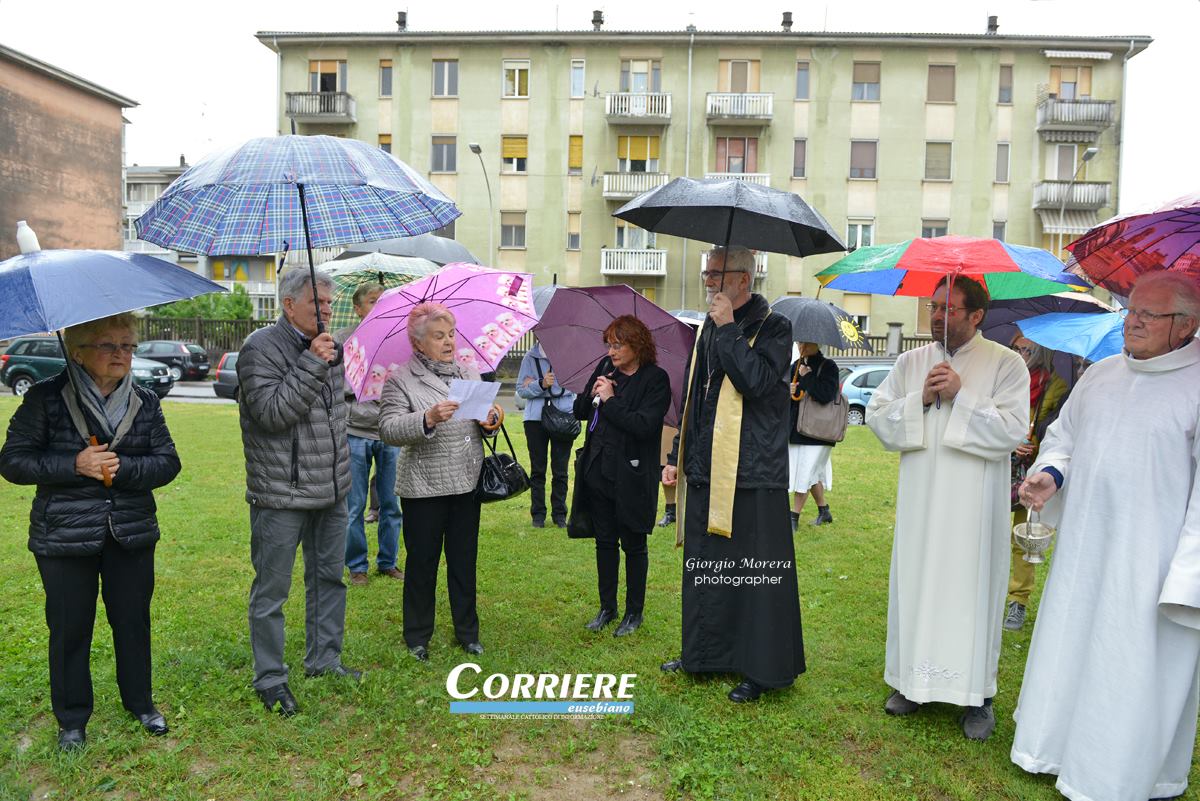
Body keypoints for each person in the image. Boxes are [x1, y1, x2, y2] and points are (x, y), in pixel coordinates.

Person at [1012, 272, 1200, 801]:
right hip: (1086, 545)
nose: (1133, 321)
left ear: (1186, 325)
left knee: (1131, 659)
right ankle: (1050, 746)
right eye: (1131, 310)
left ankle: (1119, 772)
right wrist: (1051, 473)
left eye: (1150, 314)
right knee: (1073, 639)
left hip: (1152, 556)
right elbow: (1063, 438)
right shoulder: (1101, 376)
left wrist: (1187, 576)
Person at [0, 314, 181, 751]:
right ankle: (72, 719)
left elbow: (168, 462)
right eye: (108, 345)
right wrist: (74, 464)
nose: (121, 354)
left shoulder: (144, 401)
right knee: (70, 628)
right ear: (78, 352)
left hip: (130, 532)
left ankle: (140, 703)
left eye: (128, 345)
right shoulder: (46, 399)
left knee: (132, 623)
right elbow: (13, 462)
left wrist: (121, 469)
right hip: (64, 534)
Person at [865, 275, 1028, 740]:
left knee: (971, 588)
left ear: (977, 316)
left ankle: (978, 694)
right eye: (934, 307)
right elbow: (877, 418)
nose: (937, 316)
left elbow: (1013, 431)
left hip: (975, 504)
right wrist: (921, 398)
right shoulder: (910, 361)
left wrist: (962, 395)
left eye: (948, 308)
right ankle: (911, 683)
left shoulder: (1006, 364)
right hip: (921, 497)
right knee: (916, 581)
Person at [660, 246, 805, 703]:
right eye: (707, 271)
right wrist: (677, 454)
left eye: (718, 273)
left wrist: (727, 330)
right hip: (705, 466)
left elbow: (758, 383)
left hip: (752, 472)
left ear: (745, 279)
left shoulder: (775, 326)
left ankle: (759, 668)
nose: (709, 280)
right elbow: (694, 397)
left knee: (754, 573)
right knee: (706, 565)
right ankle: (703, 654)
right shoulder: (706, 327)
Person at [239, 269, 358, 718]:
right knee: (272, 590)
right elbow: (271, 414)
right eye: (317, 304)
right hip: (281, 493)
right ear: (289, 305)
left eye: (329, 305)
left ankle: (324, 659)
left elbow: (336, 415)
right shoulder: (259, 349)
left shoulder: (330, 346)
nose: (326, 312)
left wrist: (323, 358)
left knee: (329, 578)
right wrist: (311, 362)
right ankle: (270, 677)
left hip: (331, 487)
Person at [379, 302, 501, 662]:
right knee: (423, 562)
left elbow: (482, 422)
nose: (449, 342)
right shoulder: (401, 379)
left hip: (467, 481)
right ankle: (417, 635)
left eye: (451, 334)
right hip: (424, 487)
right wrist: (427, 418)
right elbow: (387, 430)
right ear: (419, 343)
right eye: (439, 336)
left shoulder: (468, 371)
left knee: (464, 561)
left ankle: (468, 632)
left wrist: (491, 419)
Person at [570, 316, 671, 637]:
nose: (611, 351)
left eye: (618, 345)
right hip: (598, 470)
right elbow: (580, 411)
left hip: (632, 474)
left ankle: (634, 612)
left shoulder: (655, 379)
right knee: (604, 542)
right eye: (609, 344)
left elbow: (643, 425)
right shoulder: (605, 368)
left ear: (637, 345)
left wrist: (611, 399)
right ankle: (607, 608)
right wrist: (593, 394)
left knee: (634, 544)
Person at [335, 282, 404, 585]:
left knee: (392, 505)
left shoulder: (399, 341)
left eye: (383, 301)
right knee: (355, 506)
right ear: (358, 307)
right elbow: (334, 389)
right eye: (373, 301)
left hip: (390, 433)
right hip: (355, 432)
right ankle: (357, 566)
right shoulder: (343, 341)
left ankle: (388, 562)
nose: (378, 307)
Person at [1003, 336, 1069, 631]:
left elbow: (1060, 432)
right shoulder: (1003, 380)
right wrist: (1008, 443)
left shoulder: (1056, 388)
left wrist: (1036, 445)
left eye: (1027, 350)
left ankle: (1018, 601)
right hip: (1000, 466)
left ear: (1041, 353)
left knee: (1023, 537)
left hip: (1033, 475)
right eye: (1017, 348)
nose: (1021, 354)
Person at [516, 339, 576, 528]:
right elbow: (521, 390)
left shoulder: (569, 356)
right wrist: (540, 384)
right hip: (535, 419)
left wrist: (542, 384)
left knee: (561, 470)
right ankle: (538, 515)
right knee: (538, 469)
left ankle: (560, 514)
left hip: (563, 418)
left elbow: (574, 386)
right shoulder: (530, 357)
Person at [788, 342, 839, 531]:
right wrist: (791, 391)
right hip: (798, 428)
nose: (802, 346)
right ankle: (824, 511)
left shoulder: (828, 366)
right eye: (800, 342)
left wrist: (807, 376)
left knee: (805, 471)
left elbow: (826, 395)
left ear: (817, 344)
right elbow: (795, 398)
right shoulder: (795, 365)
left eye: (806, 343)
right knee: (811, 471)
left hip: (819, 431)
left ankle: (793, 517)